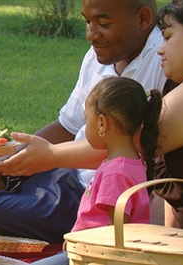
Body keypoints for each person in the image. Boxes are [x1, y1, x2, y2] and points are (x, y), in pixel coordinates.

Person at [2, 0, 183, 264]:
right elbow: (173, 196)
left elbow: (127, 139)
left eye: (167, 37)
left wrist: (52, 154)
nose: (160, 49)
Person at [0, 0, 168, 244]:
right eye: (87, 22)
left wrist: (47, 157)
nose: (90, 34)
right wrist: (6, 162)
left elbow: (137, 150)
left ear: (142, 19)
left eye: (103, 23)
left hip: (82, 194)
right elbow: (67, 125)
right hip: (57, 170)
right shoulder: (100, 55)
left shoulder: (162, 61)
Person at [32, 77, 162, 264]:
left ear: (102, 123)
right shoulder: (134, 161)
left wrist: (76, 246)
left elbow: (114, 229)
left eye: (87, 119)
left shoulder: (115, 173)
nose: (85, 126)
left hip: (94, 255)